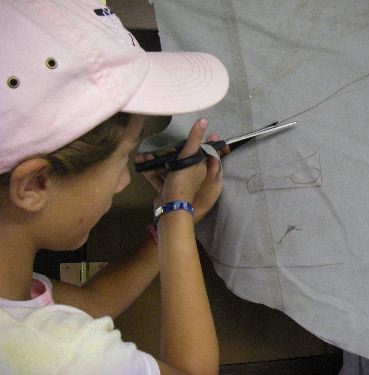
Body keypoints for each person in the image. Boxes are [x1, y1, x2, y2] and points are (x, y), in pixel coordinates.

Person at [0, 1, 229, 374]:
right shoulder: (52, 353)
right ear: (34, 184)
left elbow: (90, 302)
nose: (125, 180)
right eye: (124, 158)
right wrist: (177, 217)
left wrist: (174, 218)